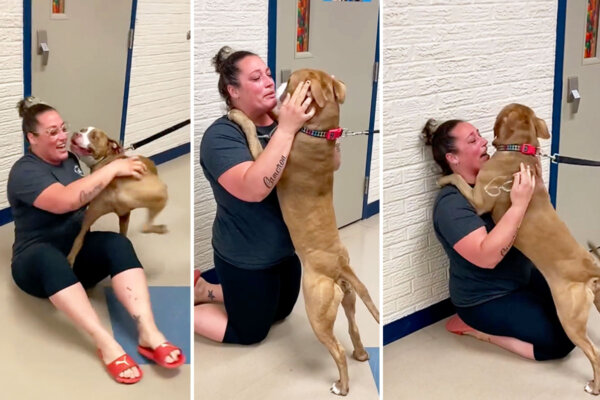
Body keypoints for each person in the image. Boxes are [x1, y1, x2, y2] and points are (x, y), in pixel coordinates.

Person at [7, 98, 184, 384]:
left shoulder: (72, 162)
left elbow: (96, 184)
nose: (63, 136)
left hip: (76, 254)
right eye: (52, 132)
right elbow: (66, 201)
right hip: (34, 263)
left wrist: (119, 164)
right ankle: (106, 344)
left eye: (63, 128)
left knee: (119, 244)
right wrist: (111, 170)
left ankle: (148, 332)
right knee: (50, 260)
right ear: (32, 138)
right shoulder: (24, 172)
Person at [195, 46, 342, 344]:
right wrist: (287, 130)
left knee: (280, 313)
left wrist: (326, 123)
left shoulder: (286, 121)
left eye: (269, 74)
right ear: (233, 90)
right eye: (256, 78)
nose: (269, 82)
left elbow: (332, 164)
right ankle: (191, 304)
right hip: (245, 256)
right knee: (250, 332)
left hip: (287, 252)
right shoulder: (221, 136)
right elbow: (255, 188)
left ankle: (207, 290)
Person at [423, 118, 575, 361]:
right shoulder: (451, 205)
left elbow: (540, 221)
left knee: (574, 313)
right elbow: (488, 258)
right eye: (473, 140)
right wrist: (519, 204)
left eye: (480, 135)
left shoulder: (497, 180)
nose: (485, 142)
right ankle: (478, 330)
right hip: (485, 299)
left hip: (521, 279)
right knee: (562, 342)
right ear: (453, 158)